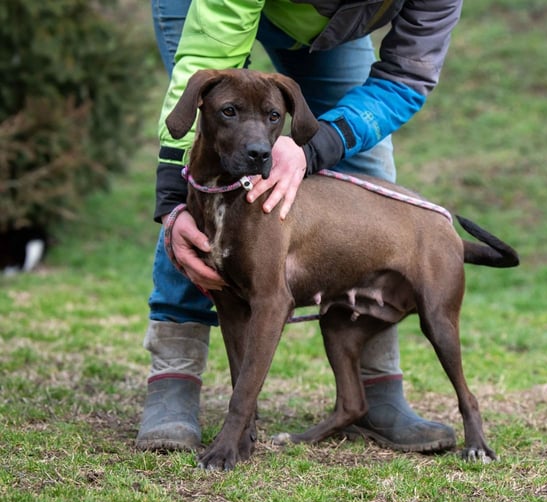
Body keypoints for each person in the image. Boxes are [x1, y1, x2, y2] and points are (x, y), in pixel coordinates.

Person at [136, 0, 463, 454]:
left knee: (366, 162)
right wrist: (174, 200)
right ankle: (174, 379)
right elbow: (196, 86)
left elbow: (407, 75)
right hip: (210, 12)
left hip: (332, 32)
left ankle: (374, 391)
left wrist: (315, 147)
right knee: (200, 182)